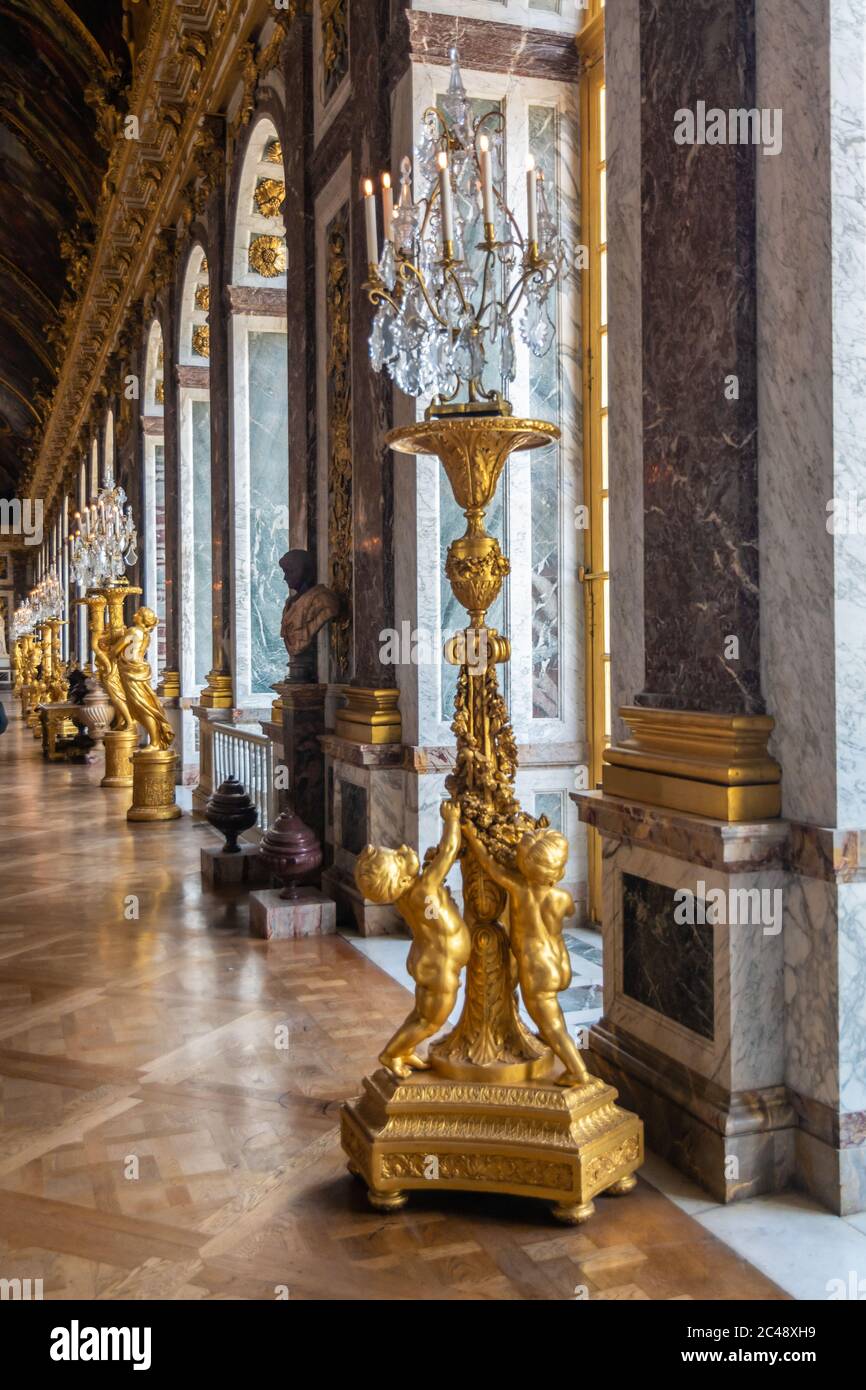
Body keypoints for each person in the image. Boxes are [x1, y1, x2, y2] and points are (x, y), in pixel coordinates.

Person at [462, 821, 591, 1086]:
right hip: (559, 961)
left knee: (550, 1024)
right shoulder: (562, 898)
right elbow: (569, 914)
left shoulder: (519, 889)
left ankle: (577, 1070)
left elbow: (490, 866)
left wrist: (471, 837)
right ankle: (547, 1043)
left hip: (536, 967)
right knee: (553, 1015)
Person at [355, 802, 470, 1079]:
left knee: (421, 1012)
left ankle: (405, 1051)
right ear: (402, 881)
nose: (405, 849)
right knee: (432, 1020)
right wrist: (451, 820)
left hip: (428, 958)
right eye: (399, 857)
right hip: (440, 964)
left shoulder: (408, 895)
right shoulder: (424, 888)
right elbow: (449, 851)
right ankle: (392, 1053)